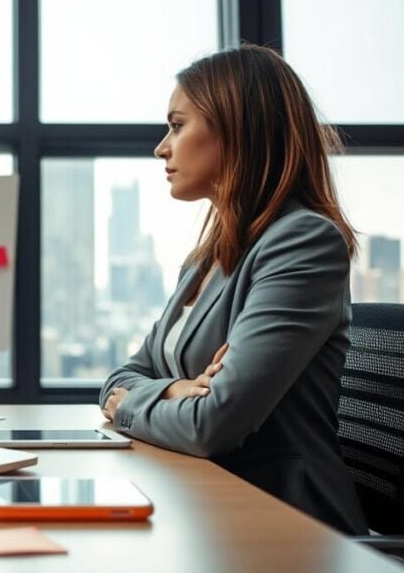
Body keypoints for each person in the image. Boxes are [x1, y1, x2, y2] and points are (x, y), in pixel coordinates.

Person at [98, 44, 368, 535]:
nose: (162, 147)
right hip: (202, 505)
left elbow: (212, 424)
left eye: (178, 126)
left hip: (285, 524)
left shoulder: (302, 242)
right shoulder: (205, 260)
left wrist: (135, 403)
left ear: (236, 129)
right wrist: (178, 389)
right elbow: (122, 374)